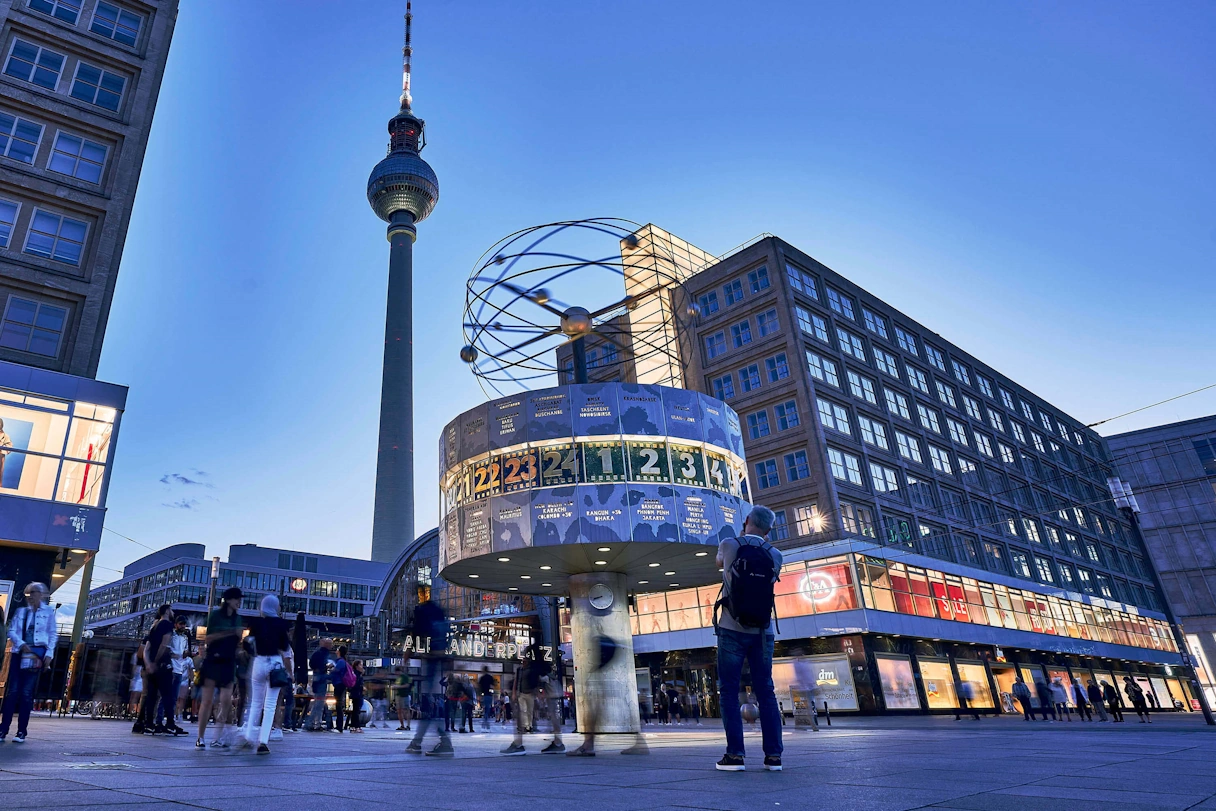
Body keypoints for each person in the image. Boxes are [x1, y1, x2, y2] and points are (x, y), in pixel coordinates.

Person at [714, 506, 783, 773]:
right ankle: (774, 756)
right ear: (769, 530)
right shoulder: (775, 554)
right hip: (764, 632)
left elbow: (719, 564)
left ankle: (735, 756)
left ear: (746, 521)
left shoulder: (730, 544)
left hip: (732, 627)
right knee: (766, 691)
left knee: (729, 691)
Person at [566, 633, 647, 757]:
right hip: (606, 651)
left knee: (594, 707)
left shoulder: (600, 665)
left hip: (604, 652)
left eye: (590, 651)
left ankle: (588, 745)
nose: (588, 653)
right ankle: (589, 744)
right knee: (603, 706)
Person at [0, 582, 57, 743]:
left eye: (34, 592)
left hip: (36, 655)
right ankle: (3, 729)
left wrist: (49, 654)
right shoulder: (22, 612)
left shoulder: (48, 613)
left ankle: (21, 732)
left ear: (41, 594)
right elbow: (12, 630)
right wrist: (21, 643)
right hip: (20, 654)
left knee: (26, 693)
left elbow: (52, 634)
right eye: (29, 593)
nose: (31, 596)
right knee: (12, 692)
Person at [240, 595, 293, 754]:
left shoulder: (256, 623)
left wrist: (253, 653)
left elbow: (247, 642)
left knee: (255, 702)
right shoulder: (281, 624)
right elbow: (285, 648)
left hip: (258, 662)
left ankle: (248, 736)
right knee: (270, 705)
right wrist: (290, 672)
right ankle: (263, 741)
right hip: (275, 663)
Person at [405, 597, 454, 756]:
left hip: (431, 658)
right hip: (440, 656)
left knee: (427, 704)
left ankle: (438, 742)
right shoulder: (438, 609)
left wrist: (408, 653)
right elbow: (446, 631)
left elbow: (415, 632)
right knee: (429, 703)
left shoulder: (422, 610)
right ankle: (418, 742)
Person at [196, 587, 243, 747]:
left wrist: (236, 635)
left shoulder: (237, 618)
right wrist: (228, 633)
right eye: (237, 599)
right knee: (207, 701)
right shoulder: (215, 615)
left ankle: (217, 736)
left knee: (226, 700)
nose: (239, 602)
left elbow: (238, 639)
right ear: (228, 600)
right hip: (213, 660)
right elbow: (208, 638)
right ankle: (200, 737)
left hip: (229, 661)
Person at [502, 641, 564, 755]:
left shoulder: (536, 666)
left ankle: (519, 744)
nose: (525, 656)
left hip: (551, 691)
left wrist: (538, 693)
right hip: (552, 690)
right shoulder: (540, 664)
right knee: (552, 715)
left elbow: (536, 681)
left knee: (551, 716)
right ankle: (558, 743)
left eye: (527, 653)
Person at [141, 604, 187, 736]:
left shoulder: (154, 626)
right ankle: (170, 724)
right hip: (163, 665)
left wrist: (148, 663)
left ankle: (149, 724)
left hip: (151, 668)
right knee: (168, 695)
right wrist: (156, 662)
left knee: (151, 696)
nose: (172, 612)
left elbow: (146, 649)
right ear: (167, 611)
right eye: (171, 610)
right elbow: (164, 644)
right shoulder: (167, 624)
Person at [162, 616, 190, 728]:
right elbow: (167, 649)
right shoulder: (172, 635)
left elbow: (185, 651)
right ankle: (160, 719)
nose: (182, 626)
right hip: (171, 667)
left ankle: (170, 720)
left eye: (184, 624)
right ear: (176, 624)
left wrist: (185, 654)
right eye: (180, 624)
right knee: (165, 695)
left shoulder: (185, 637)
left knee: (174, 697)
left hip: (179, 669)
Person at [305, 638, 333, 731]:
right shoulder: (324, 654)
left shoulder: (316, 653)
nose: (332, 646)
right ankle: (312, 723)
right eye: (330, 644)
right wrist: (326, 667)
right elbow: (321, 666)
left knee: (317, 702)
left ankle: (314, 723)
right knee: (319, 704)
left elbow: (312, 664)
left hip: (316, 679)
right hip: (321, 679)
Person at [331, 646, 351, 733]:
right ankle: (339, 726)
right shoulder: (340, 661)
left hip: (339, 684)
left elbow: (335, 670)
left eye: (337, 649)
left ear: (339, 652)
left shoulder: (341, 662)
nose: (336, 651)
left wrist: (330, 669)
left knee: (338, 705)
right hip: (340, 684)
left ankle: (339, 727)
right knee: (338, 705)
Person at [348, 660, 366, 733]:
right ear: (357, 666)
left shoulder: (355, 674)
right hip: (357, 694)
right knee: (356, 710)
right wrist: (362, 688)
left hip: (356, 693)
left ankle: (353, 726)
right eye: (361, 665)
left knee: (355, 710)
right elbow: (357, 684)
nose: (362, 666)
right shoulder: (357, 674)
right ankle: (356, 726)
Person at [394, 667, 413, 731]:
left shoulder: (404, 677)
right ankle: (402, 725)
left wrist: (397, 687)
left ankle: (408, 725)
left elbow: (407, 685)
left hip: (404, 695)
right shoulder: (398, 678)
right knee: (399, 710)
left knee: (406, 710)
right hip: (398, 695)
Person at [478, 667, 495, 732]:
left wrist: (479, 695)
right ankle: (486, 726)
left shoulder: (482, 678)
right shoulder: (490, 677)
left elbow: (479, 687)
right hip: (489, 695)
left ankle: (485, 726)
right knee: (488, 710)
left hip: (484, 695)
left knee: (485, 710)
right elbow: (493, 686)